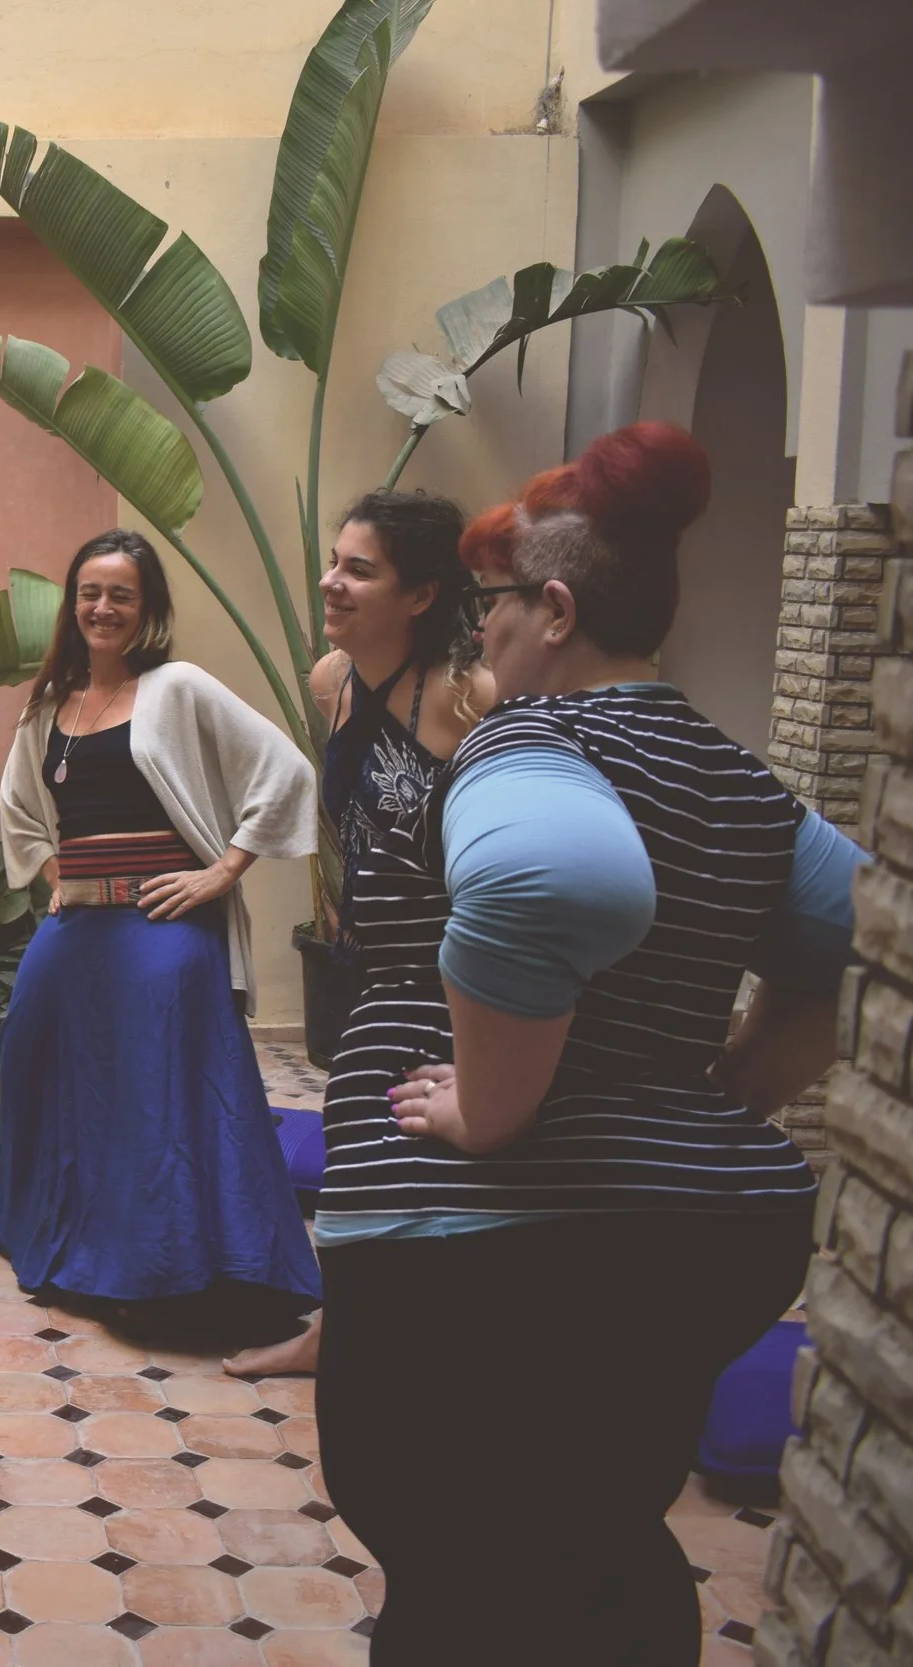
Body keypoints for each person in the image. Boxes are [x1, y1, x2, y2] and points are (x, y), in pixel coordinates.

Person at [315, 424, 848, 1664]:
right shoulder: (738, 780)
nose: (481, 631)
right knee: (597, 1535)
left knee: (456, 1560)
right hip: (697, 1233)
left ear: (553, 610)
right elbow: (867, 939)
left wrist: (485, 1110)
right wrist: (734, 1086)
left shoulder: (529, 737)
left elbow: (555, 886)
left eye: (495, 603)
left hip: (486, 1252)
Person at [0, 529, 319, 1351]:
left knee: (149, 1089)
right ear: (73, 607)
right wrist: (51, 878)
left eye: (121, 595)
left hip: (161, 924)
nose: (102, 608)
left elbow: (285, 768)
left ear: (148, 612)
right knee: (33, 1052)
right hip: (79, 925)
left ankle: (157, 1262)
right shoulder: (52, 704)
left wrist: (221, 873)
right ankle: (14, 1219)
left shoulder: (176, 687)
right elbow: (23, 807)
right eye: (90, 594)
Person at [223, 489, 490, 1379]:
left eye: (358, 570)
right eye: (334, 562)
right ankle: (343, 1331)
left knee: (396, 1150)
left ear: (420, 595)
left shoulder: (470, 695)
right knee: (366, 1143)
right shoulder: (331, 682)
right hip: (372, 963)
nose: (330, 583)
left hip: (453, 972)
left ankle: (376, 1339)